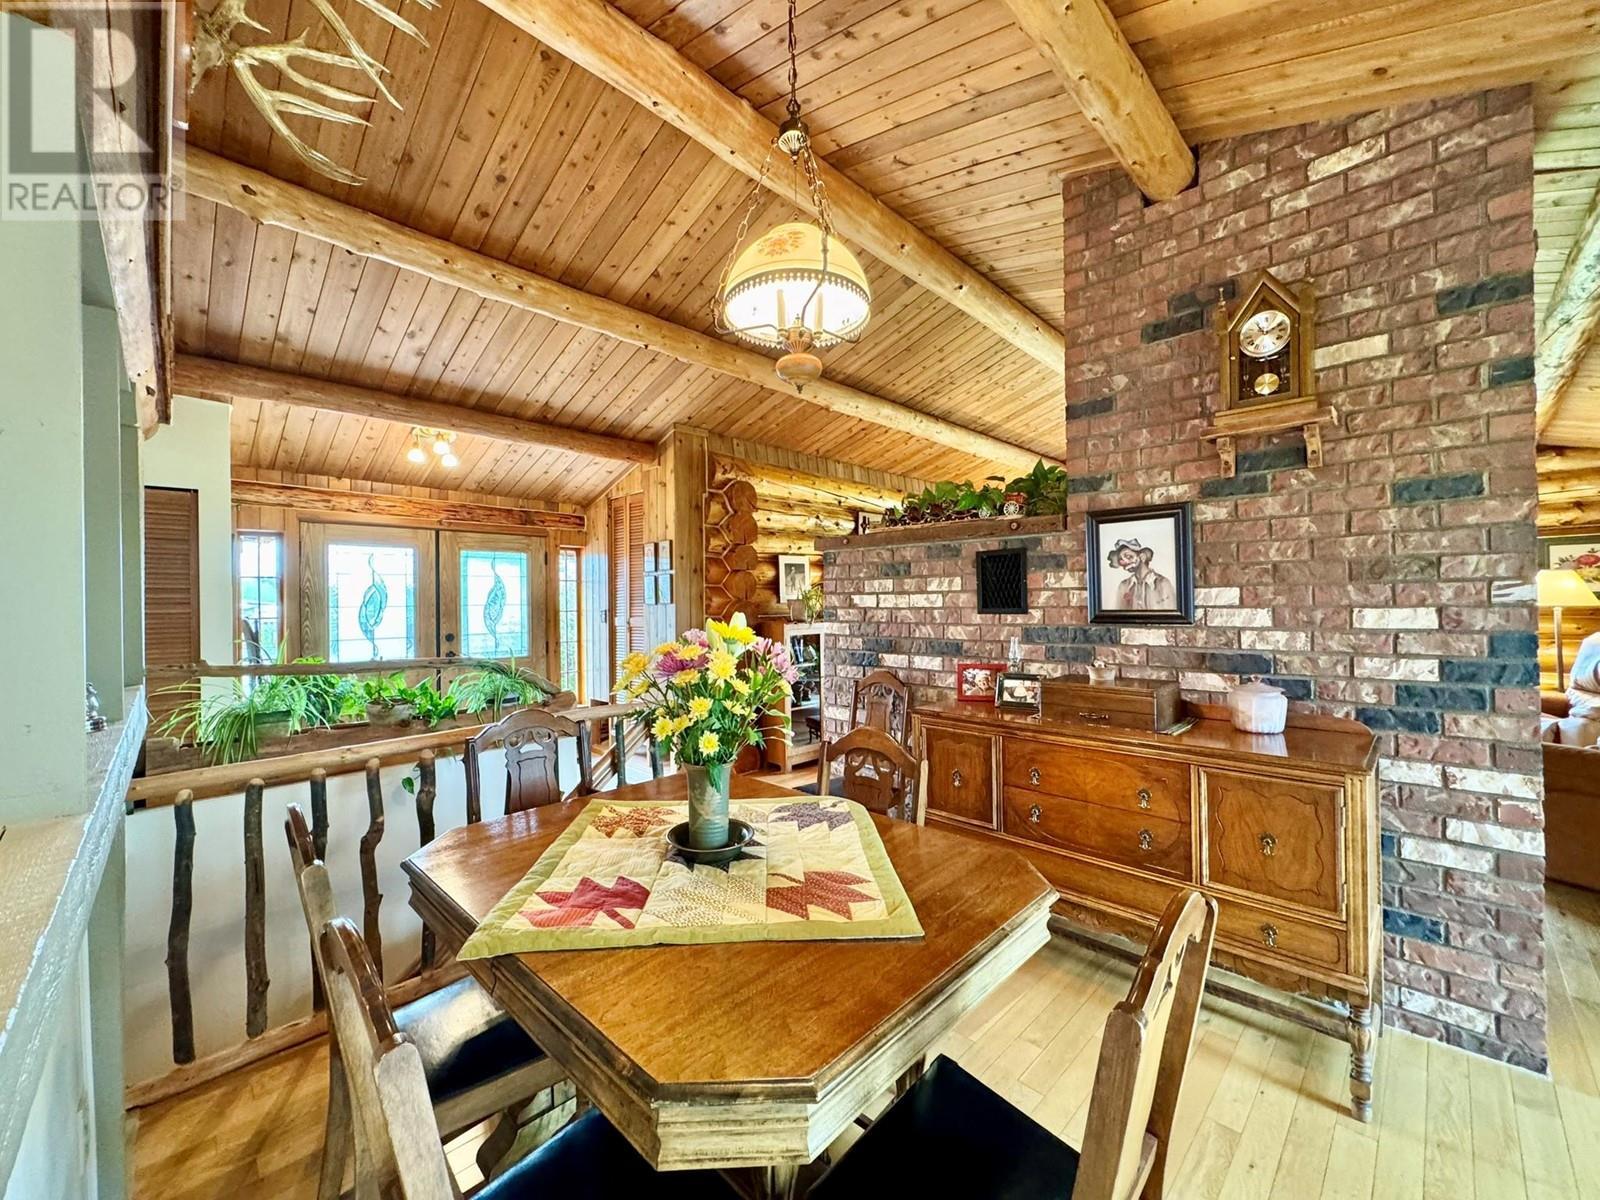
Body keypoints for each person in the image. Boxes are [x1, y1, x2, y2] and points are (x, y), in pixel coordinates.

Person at [1108, 538, 1175, 611]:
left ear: (1142, 557)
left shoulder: (1163, 583)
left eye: (1128, 556)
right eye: (1121, 559)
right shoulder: (1123, 586)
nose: (1124, 562)